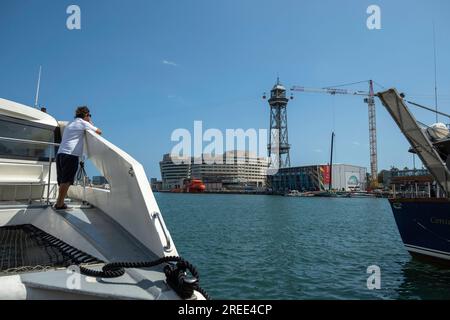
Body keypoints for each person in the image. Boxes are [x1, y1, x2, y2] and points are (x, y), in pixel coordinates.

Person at [54, 106, 102, 210]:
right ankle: (59, 204)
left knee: (62, 180)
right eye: (89, 115)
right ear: (85, 115)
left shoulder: (71, 123)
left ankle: (60, 202)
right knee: (66, 181)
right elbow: (99, 131)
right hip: (70, 154)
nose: (89, 117)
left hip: (60, 154)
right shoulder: (82, 123)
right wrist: (90, 122)